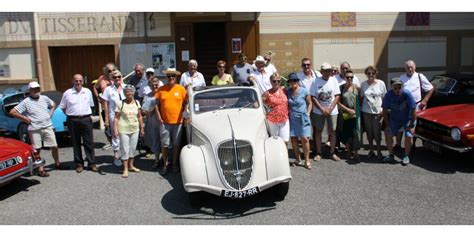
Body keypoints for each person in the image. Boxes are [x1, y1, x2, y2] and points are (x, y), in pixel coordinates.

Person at [10, 82, 66, 177]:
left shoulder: (44, 98)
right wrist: (24, 118)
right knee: (37, 149)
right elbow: (13, 112)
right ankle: (40, 169)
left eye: (38, 89)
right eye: (34, 89)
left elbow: (53, 104)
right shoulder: (26, 101)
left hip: (47, 126)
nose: (36, 91)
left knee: (54, 146)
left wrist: (50, 113)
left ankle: (57, 163)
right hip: (34, 128)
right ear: (30, 90)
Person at [59, 74, 97, 173]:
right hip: (73, 120)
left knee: (89, 142)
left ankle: (91, 163)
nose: (78, 82)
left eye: (80, 80)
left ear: (82, 81)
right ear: (73, 81)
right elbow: (62, 107)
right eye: (76, 80)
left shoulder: (87, 92)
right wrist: (71, 115)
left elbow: (91, 105)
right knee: (76, 143)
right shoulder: (67, 93)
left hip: (86, 119)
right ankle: (79, 164)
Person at [395, 59, 435, 150]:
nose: (410, 69)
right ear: (405, 68)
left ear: (415, 67)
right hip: (403, 106)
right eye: (408, 67)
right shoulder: (401, 78)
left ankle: (412, 146)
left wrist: (425, 100)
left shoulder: (420, 77)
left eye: (411, 67)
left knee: (413, 126)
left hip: (416, 106)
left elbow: (431, 88)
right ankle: (398, 145)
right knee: (401, 126)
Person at [156, 68, 188, 175]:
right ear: (166, 77)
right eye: (169, 76)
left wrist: (185, 115)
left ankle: (174, 164)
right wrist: (159, 117)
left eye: (173, 76)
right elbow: (156, 104)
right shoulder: (161, 89)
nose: (171, 78)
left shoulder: (181, 89)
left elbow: (186, 103)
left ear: (176, 77)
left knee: (176, 144)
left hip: (178, 122)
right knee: (164, 144)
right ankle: (165, 164)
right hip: (164, 122)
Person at [382, 78, 417, 166]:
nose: (397, 90)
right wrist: (387, 124)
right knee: (388, 133)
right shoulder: (388, 95)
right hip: (395, 119)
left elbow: (413, 109)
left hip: (408, 119)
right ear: (392, 87)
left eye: (399, 87)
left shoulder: (407, 94)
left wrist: (412, 124)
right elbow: (385, 110)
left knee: (408, 136)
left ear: (402, 87)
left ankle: (406, 155)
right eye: (395, 88)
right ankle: (391, 155)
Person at [310, 62, 341, 161]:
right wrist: (322, 109)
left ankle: (332, 152)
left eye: (329, 71)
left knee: (332, 131)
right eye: (325, 71)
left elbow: (337, 96)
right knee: (318, 131)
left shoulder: (334, 80)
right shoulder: (316, 81)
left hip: (332, 111)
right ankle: (319, 153)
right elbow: (313, 97)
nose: (327, 73)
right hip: (319, 111)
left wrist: (330, 109)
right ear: (321, 71)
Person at [113, 85, 144, 178]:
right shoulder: (120, 103)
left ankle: (131, 166)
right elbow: (116, 117)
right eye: (127, 91)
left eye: (131, 91)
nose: (129, 93)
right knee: (125, 149)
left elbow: (139, 116)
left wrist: (142, 128)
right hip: (123, 129)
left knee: (132, 148)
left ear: (134, 92)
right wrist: (115, 129)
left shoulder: (137, 103)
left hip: (135, 129)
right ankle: (125, 168)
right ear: (124, 93)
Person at [287, 73, 312, 170]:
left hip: (303, 118)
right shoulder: (288, 91)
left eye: (294, 80)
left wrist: (308, 113)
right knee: (294, 140)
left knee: (305, 139)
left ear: (297, 81)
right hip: (292, 118)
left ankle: (307, 160)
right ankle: (298, 159)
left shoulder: (304, 91)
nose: (293, 82)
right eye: (291, 81)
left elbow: (310, 103)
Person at [360, 66, 387, 159]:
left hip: (377, 113)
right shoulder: (363, 84)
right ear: (366, 74)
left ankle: (379, 151)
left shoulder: (381, 83)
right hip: (366, 112)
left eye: (373, 73)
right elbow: (361, 97)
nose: (371, 75)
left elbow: (384, 98)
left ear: (376, 73)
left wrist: (383, 110)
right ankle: (371, 150)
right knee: (369, 132)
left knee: (377, 132)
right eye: (369, 73)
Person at [100, 70, 125, 161]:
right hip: (113, 116)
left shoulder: (126, 87)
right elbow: (105, 104)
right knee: (115, 134)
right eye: (115, 77)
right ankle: (116, 154)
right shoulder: (108, 89)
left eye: (119, 76)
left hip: (126, 116)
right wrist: (106, 118)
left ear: (121, 77)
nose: (117, 78)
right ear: (111, 79)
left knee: (125, 134)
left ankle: (125, 155)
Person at [337, 70, 361, 161]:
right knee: (346, 132)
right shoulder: (341, 88)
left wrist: (356, 111)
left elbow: (360, 101)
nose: (350, 79)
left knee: (355, 133)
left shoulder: (357, 88)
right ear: (344, 78)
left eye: (351, 77)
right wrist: (348, 110)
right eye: (348, 77)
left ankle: (355, 152)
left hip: (355, 114)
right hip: (345, 113)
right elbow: (338, 102)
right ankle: (348, 151)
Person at [92, 62, 115, 150]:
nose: (111, 72)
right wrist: (98, 97)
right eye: (109, 71)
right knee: (107, 124)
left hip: (115, 106)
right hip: (105, 106)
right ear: (105, 71)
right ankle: (109, 141)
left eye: (113, 70)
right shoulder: (102, 78)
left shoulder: (117, 77)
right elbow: (95, 87)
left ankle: (117, 141)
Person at [142, 76, 163, 168]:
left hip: (164, 120)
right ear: (149, 86)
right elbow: (144, 111)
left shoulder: (163, 93)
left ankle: (165, 159)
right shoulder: (148, 96)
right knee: (155, 140)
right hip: (152, 121)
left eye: (156, 84)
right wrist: (154, 107)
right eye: (152, 85)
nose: (155, 86)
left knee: (164, 141)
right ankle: (157, 160)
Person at [262, 73, 289, 143]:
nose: (276, 82)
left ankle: (284, 154)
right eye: (274, 81)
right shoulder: (267, 93)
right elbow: (260, 103)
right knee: (275, 141)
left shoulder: (284, 91)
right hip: (272, 120)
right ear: (270, 82)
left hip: (284, 119)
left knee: (285, 141)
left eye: (278, 81)